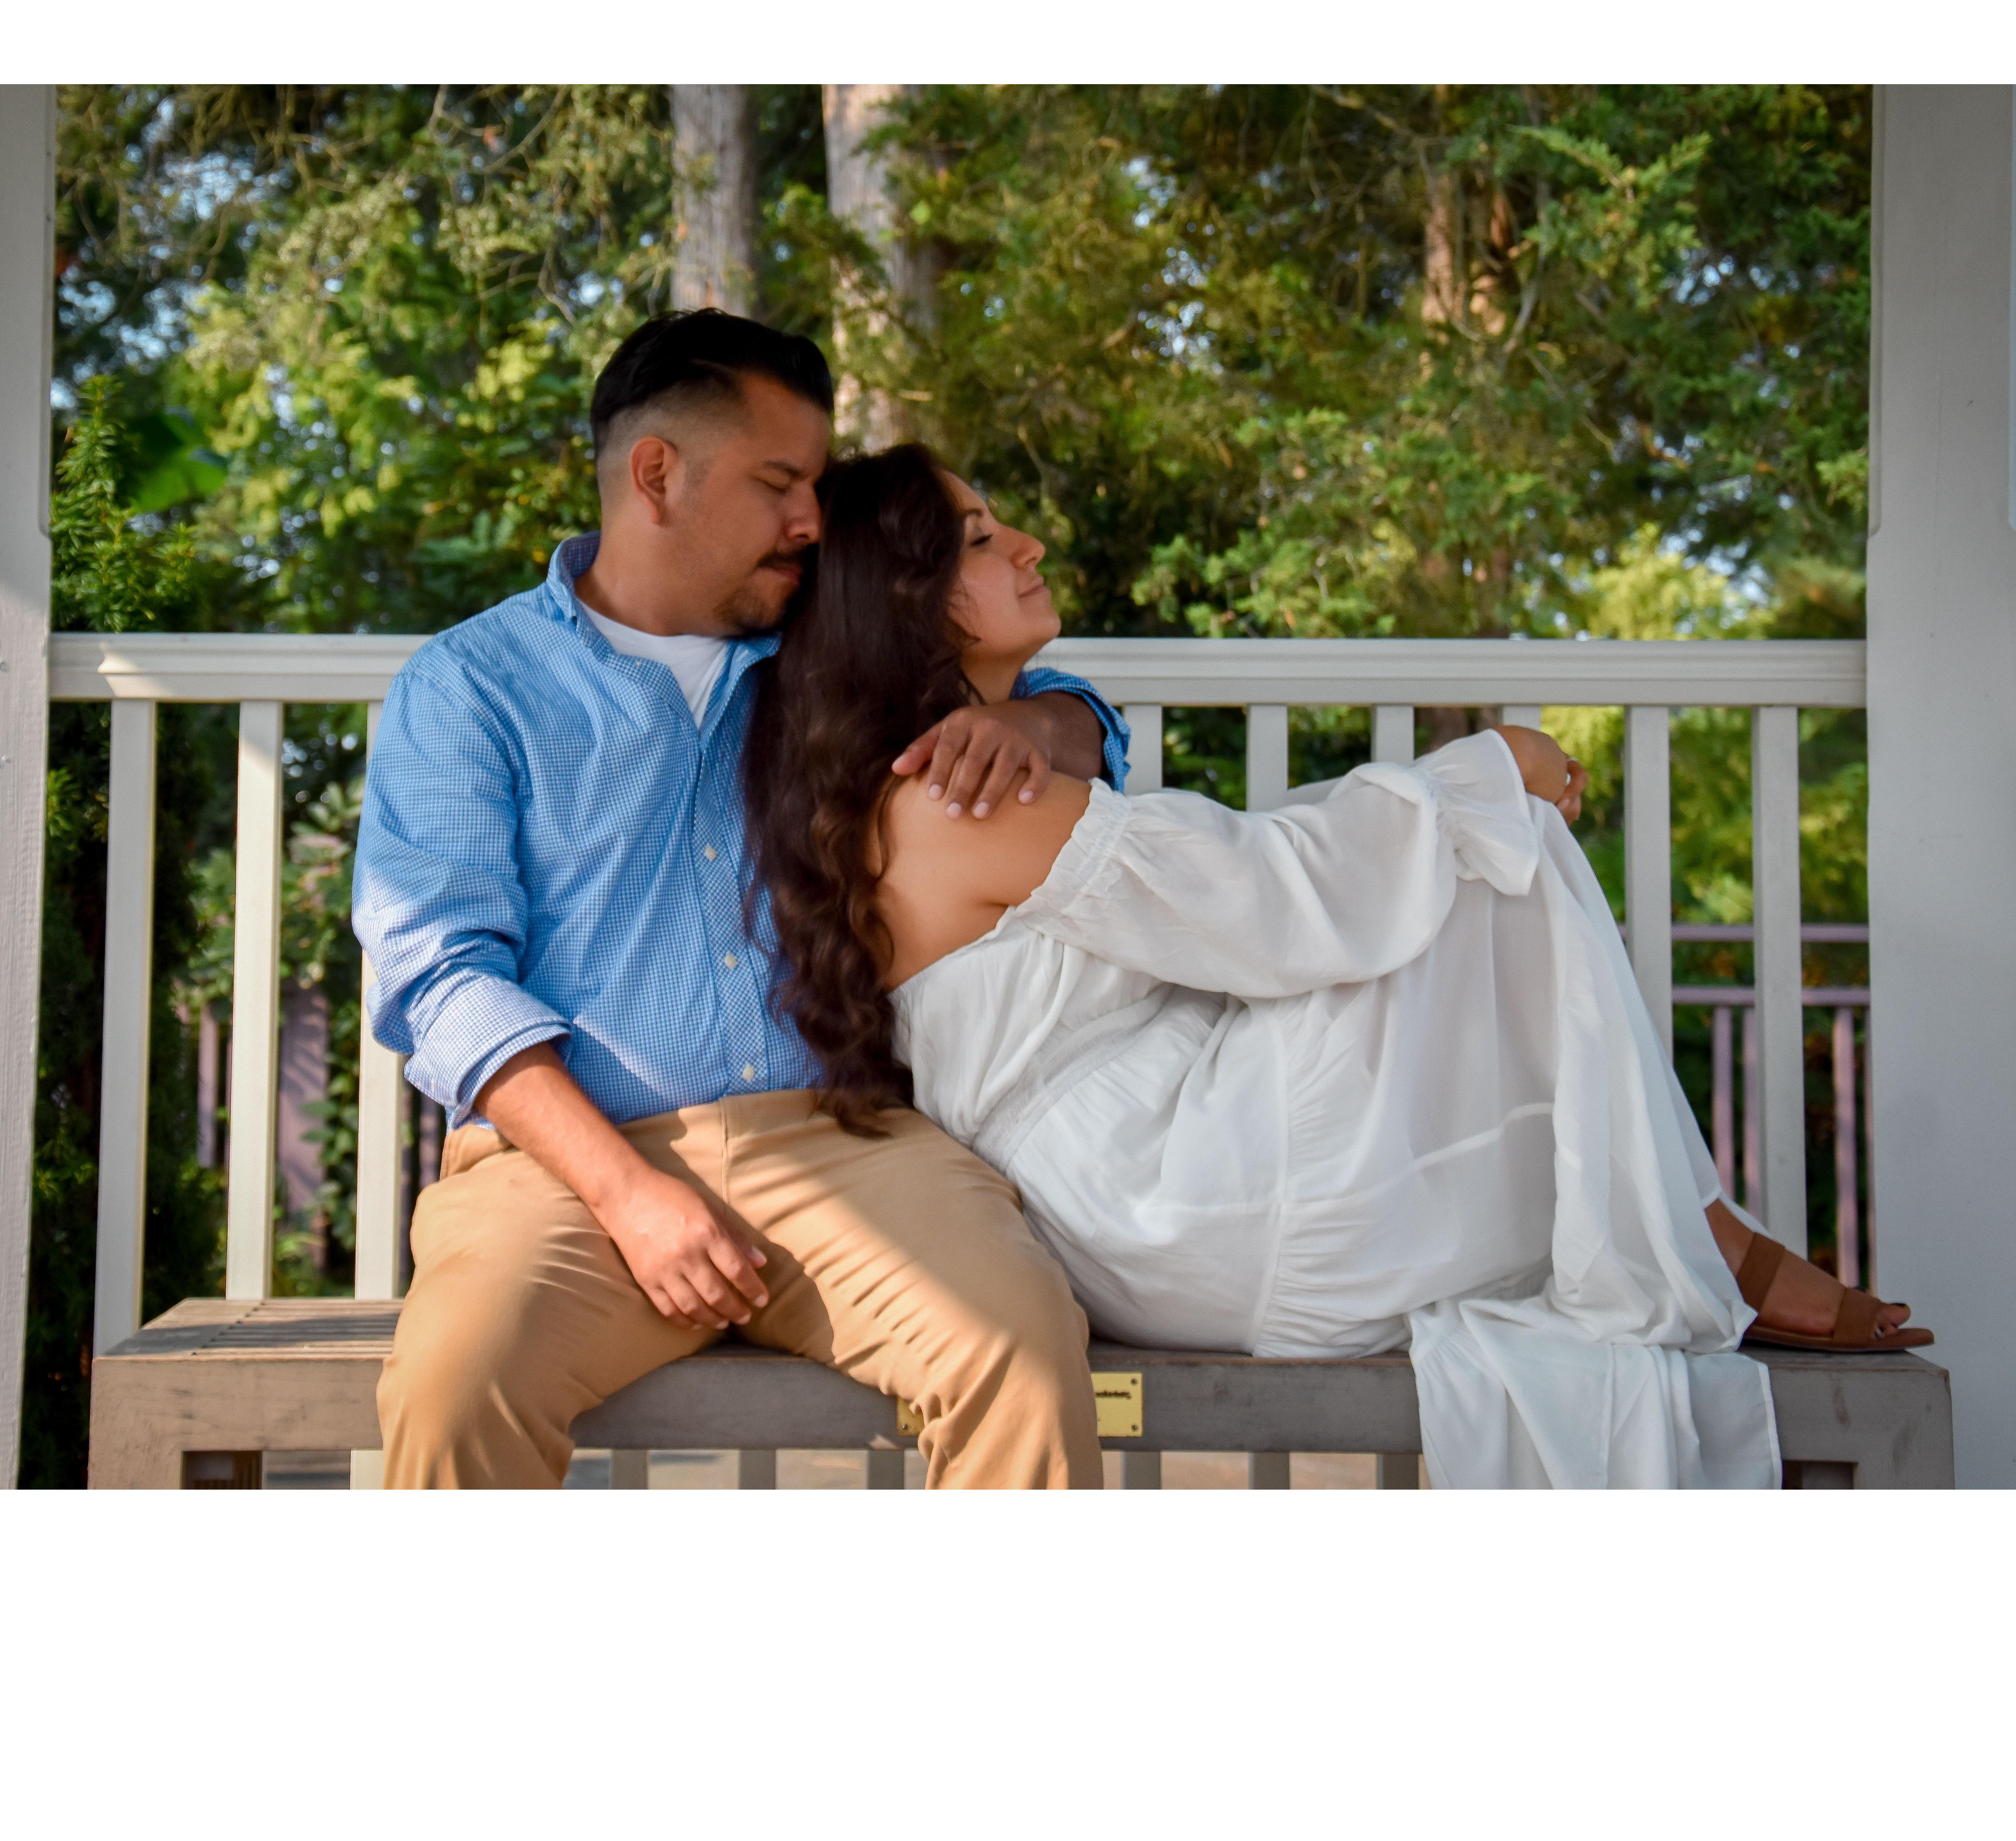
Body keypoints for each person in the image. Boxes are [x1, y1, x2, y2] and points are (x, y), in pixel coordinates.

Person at [745, 443, 1934, 1489]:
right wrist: (1480, 773)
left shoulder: (956, 776)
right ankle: (1695, 1229)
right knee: (1489, 852)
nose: (1028, 545)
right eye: (980, 537)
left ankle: (1690, 1223)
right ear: (911, 599)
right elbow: (1260, 899)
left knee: (1465, 852)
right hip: (1172, 1194)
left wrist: (1459, 796)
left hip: (1146, 1186)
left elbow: (1241, 882)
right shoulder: (956, 799)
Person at [354, 313, 1130, 1488]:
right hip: (563, 1171)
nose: (812, 519)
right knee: (456, 1389)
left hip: (845, 1142)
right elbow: (441, 977)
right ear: (656, 475)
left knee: (1018, 1354)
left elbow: (1078, 713)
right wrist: (630, 1196)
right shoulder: (472, 687)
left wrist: (1036, 721)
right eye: (779, 484)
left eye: (814, 485)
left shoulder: (823, 643)